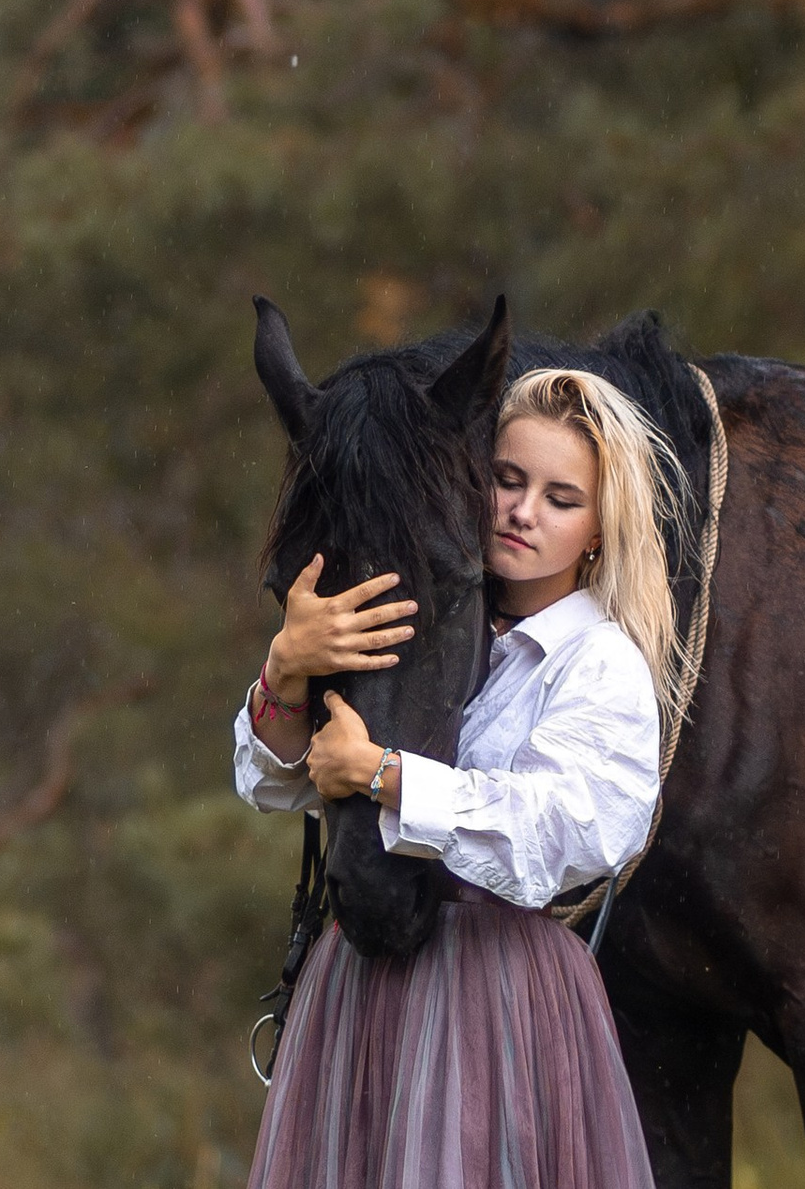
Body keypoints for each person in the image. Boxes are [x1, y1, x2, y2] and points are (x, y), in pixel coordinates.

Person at [231, 367, 686, 1189]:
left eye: (560, 496)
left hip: (499, 995)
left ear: (598, 527)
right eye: (507, 480)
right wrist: (286, 670)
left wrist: (387, 775)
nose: (521, 510)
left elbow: (564, 831)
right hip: (360, 984)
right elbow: (277, 783)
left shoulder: (598, 663)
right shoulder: (436, 625)